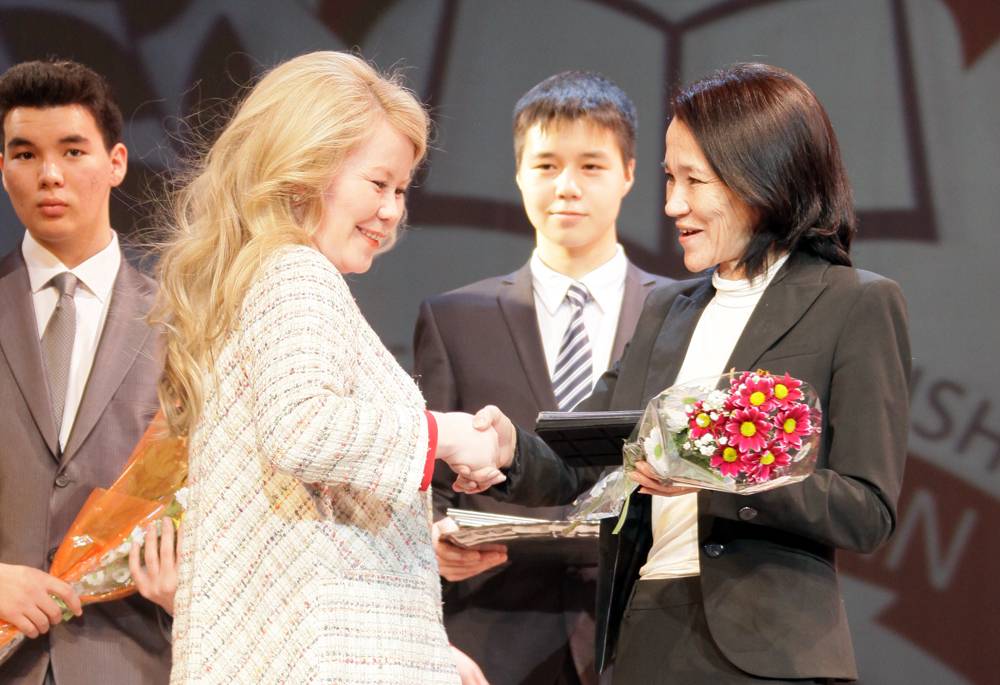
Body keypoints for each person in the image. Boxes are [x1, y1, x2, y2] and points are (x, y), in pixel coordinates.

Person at [470, 63, 911, 683]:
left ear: (762, 178)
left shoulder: (854, 302)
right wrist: (505, 449)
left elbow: (866, 510)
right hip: (647, 630)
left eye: (694, 180)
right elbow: (586, 455)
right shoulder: (666, 310)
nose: (672, 204)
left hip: (769, 652)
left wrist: (718, 472)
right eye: (670, 178)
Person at [154, 51, 505, 685]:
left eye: (401, 190)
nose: (393, 211)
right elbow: (303, 427)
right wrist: (447, 435)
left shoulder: (262, 274)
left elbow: (294, 512)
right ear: (303, 170)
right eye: (378, 183)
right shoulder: (296, 272)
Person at [415, 70, 670, 685]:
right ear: (519, 173)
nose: (567, 187)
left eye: (591, 166)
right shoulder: (456, 318)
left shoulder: (678, 314)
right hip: (493, 634)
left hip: (644, 629)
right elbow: (426, 482)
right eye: (547, 165)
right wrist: (435, 540)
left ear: (629, 173)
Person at [0, 60, 175, 684]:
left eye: (73, 151)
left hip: (131, 661)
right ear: (2, 167)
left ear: (117, 162)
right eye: (25, 154)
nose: (49, 174)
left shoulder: (183, 327)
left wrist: (190, 585)